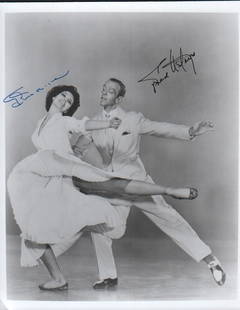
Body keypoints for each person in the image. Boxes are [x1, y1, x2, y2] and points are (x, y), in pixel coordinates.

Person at [7, 85, 198, 291]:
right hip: (44, 176)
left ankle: (169, 191)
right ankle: (59, 279)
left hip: (63, 170)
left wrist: (108, 123)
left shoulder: (64, 121)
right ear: (53, 95)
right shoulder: (39, 123)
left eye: (69, 101)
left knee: (110, 183)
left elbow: (84, 124)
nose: (65, 101)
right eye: (63, 95)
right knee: (31, 232)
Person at [72, 78, 226, 289]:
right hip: (113, 187)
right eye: (103, 89)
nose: (103, 93)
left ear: (119, 98)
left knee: (171, 220)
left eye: (110, 91)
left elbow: (160, 128)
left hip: (139, 184)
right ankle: (108, 276)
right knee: (100, 225)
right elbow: (77, 150)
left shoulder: (133, 119)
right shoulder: (93, 123)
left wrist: (190, 131)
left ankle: (211, 262)